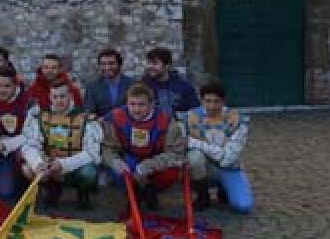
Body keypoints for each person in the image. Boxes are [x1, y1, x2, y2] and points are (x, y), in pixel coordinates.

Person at [101, 82, 187, 210]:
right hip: (129, 160)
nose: (136, 109)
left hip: (156, 161)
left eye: (141, 104)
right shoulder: (116, 118)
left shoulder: (167, 121)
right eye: (132, 104)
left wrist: (149, 165)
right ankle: (133, 195)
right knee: (118, 169)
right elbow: (107, 148)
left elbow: (175, 153)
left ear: (152, 104)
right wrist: (115, 161)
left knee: (171, 172)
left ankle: (150, 191)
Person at [22, 84, 102, 209]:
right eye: (55, 96)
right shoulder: (42, 117)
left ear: (70, 96)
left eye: (62, 96)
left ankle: (83, 193)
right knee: (27, 169)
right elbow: (29, 146)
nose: (59, 100)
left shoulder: (85, 118)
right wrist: (38, 164)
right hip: (49, 166)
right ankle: (53, 190)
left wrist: (63, 164)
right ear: (50, 97)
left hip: (75, 166)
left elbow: (92, 153)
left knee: (89, 173)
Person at [184, 81, 253, 213]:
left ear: (224, 101)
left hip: (228, 166)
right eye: (207, 101)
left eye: (217, 101)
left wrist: (197, 143)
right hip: (206, 166)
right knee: (194, 158)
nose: (212, 106)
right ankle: (203, 195)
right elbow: (183, 142)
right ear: (201, 100)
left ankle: (224, 187)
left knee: (243, 206)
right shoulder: (190, 117)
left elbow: (227, 158)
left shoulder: (237, 120)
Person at [0, 70, 37, 202]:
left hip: (22, 148)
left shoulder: (28, 103)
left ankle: (26, 188)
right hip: (0, 150)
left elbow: (30, 134)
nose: (2, 90)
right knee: (3, 193)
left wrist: (7, 144)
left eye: (7, 86)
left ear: (15, 86)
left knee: (25, 172)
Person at [141, 47, 199, 116]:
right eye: (149, 63)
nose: (150, 66)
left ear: (167, 66)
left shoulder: (184, 87)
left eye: (155, 63)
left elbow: (196, 110)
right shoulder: (142, 86)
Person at [83, 48, 136, 117]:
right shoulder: (92, 87)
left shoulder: (133, 84)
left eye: (111, 63)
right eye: (103, 64)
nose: (107, 67)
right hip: (101, 125)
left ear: (119, 64)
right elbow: (89, 111)